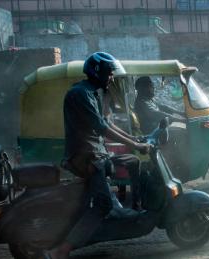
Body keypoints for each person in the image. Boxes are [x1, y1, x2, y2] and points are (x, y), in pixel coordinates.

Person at [45, 52, 151, 259]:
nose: (111, 77)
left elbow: (107, 122)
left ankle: (132, 207)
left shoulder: (94, 92)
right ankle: (61, 251)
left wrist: (134, 140)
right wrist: (134, 144)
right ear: (97, 72)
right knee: (104, 205)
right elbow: (100, 127)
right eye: (109, 73)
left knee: (133, 161)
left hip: (96, 153)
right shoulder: (80, 94)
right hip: (85, 156)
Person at [134, 76, 189, 181]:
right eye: (150, 86)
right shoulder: (142, 103)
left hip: (159, 128)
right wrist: (180, 120)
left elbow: (164, 106)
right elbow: (157, 114)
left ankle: (173, 162)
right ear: (143, 88)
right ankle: (172, 164)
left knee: (180, 133)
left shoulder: (148, 99)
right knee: (181, 135)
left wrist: (181, 113)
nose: (153, 88)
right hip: (153, 133)